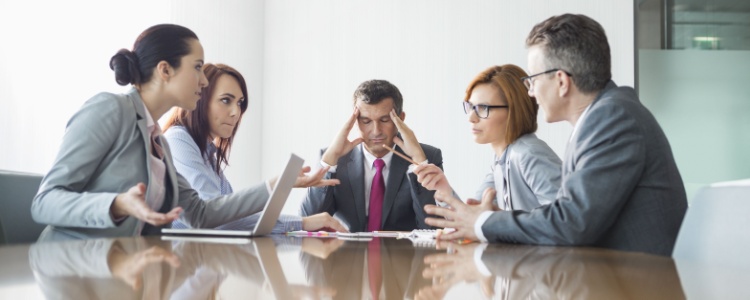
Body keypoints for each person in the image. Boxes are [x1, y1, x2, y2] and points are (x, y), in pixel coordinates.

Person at [31, 24, 337, 242]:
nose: (204, 81)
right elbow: (44, 202)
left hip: (127, 270)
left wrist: (278, 184)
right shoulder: (110, 110)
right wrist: (116, 204)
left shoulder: (158, 140)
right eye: (198, 67)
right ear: (165, 70)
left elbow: (200, 214)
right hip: (72, 267)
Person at [424, 14, 688, 256]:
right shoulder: (602, 117)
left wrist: (487, 222)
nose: (530, 93)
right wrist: (498, 220)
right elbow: (570, 216)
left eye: (533, 80)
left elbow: (572, 222)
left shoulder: (612, 118)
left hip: (640, 285)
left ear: (561, 81)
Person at [162, 63, 347, 233]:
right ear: (199, 98)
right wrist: (301, 221)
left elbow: (230, 217)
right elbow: (216, 217)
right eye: (226, 100)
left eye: (240, 103)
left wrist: (304, 221)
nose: (236, 113)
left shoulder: (207, 153)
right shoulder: (178, 139)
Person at [408, 64, 562, 211]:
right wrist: (443, 188)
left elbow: (566, 223)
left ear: (514, 111)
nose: (471, 117)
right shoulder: (501, 159)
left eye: (483, 108)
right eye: (471, 107)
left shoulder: (529, 154)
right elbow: (473, 219)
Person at [300, 80, 443, 232]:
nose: (376, 131)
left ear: (400, 118)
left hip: (403, 253)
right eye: (366, 121)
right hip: (347, 253)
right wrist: (329, 162)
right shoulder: (335, 158)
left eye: (384, 120)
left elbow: (432, 228)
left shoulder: (428, 156)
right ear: (355, 121)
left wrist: (419, 163)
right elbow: (308, 225)